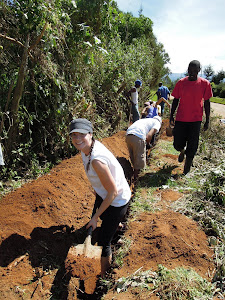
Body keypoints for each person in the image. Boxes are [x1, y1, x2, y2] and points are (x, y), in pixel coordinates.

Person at [69, 118, 131, 277]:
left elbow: (113, 193)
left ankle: (104, 276)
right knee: (104, 216)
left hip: (117, 199)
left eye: (81, 134)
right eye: (73, 135)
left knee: (104, 243)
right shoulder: (86, 149)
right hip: (106, 193)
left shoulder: (96, 159)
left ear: (90, 134)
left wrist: (95, 218)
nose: (77, 139)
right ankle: (117, 226)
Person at [169, 60, 213, 174]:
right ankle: (181, 151)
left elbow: (207, 103)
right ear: (187, 70)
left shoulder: (205, 84)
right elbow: (175, 101)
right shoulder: (181, 83)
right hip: (181, 119)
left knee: (193, 146)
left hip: (196, 120)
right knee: (177, 144)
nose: (192, 73)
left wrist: (207, 120)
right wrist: (171, 115)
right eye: (190, 70)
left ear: (199, 70)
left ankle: (186, 171)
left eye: (195, 71)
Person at [126, 116, 162, 180]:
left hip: (128, 135)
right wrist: (148, 144)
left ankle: (134, 176)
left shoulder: (145, 120)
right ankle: (139, 180)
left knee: (134, 158)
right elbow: (149, 136)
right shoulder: (157, 123)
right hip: (138, 136)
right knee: (140, 160)